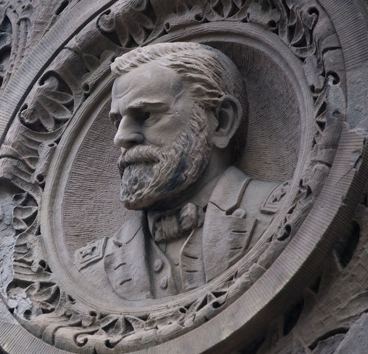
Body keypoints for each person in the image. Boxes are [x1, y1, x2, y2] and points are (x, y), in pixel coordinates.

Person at [75, 42, 283, 300]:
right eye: (118, 121)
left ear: (221, 122)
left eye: (147, 114)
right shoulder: (92, 266)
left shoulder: (282, 211)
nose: (121, 138)